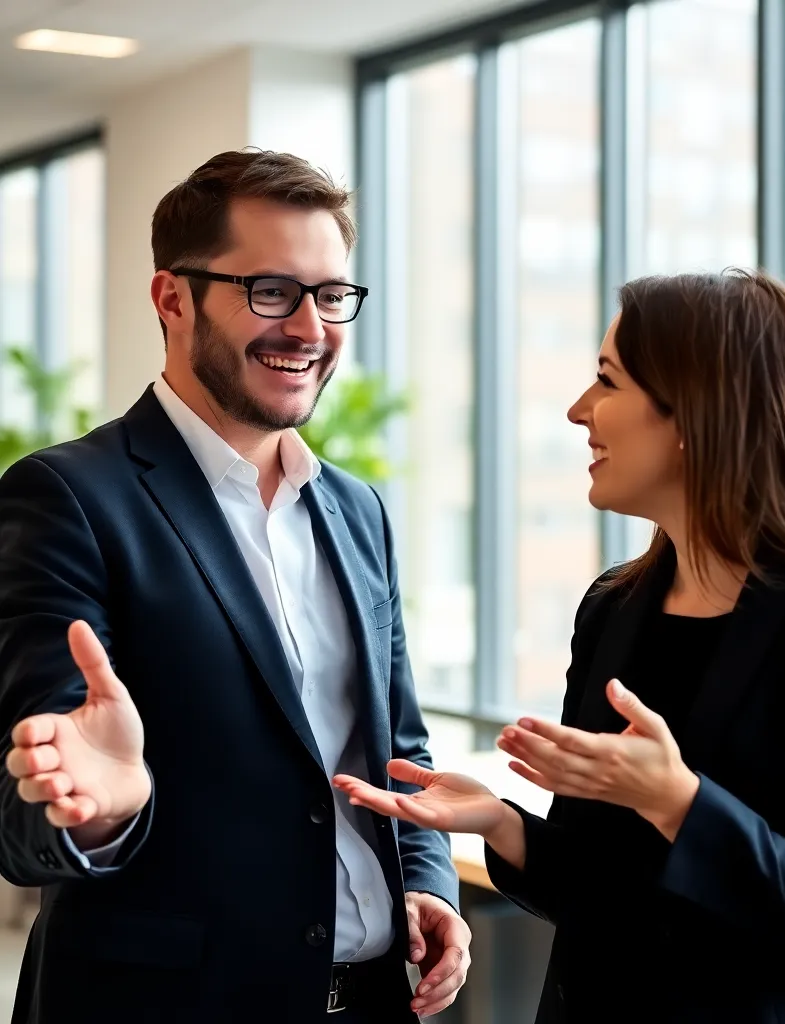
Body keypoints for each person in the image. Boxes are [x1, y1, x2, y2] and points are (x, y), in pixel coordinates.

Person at [335, 270, 785, 1023]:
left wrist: (679, 802)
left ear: (693, 410)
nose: (577, 410)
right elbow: (597, 890)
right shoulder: (614, 608)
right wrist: (502, 822)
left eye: (607, 382)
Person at [0, 149, 470, 1023]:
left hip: (366, 1003)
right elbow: (22, 815)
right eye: (270, 291)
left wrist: (430, 882)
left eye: (332, 296)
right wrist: (99, 810)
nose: (309, 326)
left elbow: (396, 743)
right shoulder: (66, 498)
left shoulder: (356, 510)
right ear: (172, 298)